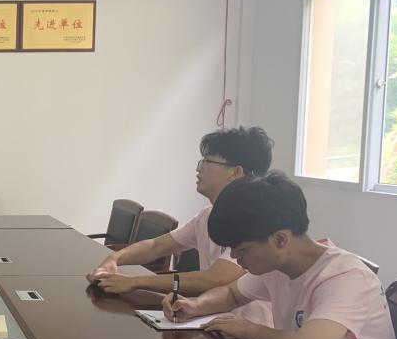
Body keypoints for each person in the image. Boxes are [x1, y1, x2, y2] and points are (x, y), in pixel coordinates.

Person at [163, 172, 397, 339]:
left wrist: (246, 329)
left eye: (242, 249)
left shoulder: (345, 276)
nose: (234, 256)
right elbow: (232, 293)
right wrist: (194, 305)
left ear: (280, 239)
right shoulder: (277, 266)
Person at [88, 126, 275, 298]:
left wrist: (136, 282)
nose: (198, 169)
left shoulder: (254, 224)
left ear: (234, 172)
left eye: (207, 162)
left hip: (245, 323)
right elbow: (155, 246)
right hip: (208, 316)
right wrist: (114, 258)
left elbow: (214, 279)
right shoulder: (207, 215)